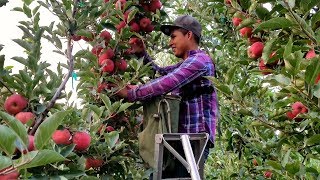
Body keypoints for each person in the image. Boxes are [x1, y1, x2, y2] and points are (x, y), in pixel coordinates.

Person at [117, 15, 219, 178]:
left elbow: (167, 82)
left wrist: (131, 93)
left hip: (193, 139)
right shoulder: (187, 63)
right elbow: (160, 74)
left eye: (173, 37)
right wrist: (142, 55)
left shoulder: (200, 61)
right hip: (178, 138)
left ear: (189, 35)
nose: (170, 42)